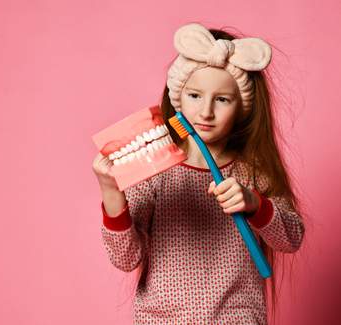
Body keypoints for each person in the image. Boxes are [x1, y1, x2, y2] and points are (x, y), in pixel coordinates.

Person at [92, 23, 305, 325]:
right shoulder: (154, 173)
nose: (206, 112)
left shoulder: (253, 173)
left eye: (222, 99)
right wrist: (111, 192)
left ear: (242, 108)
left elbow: (291, 239)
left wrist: (255, 204)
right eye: (194, 95)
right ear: (177, 99)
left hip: (238, 318)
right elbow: (126, 259)